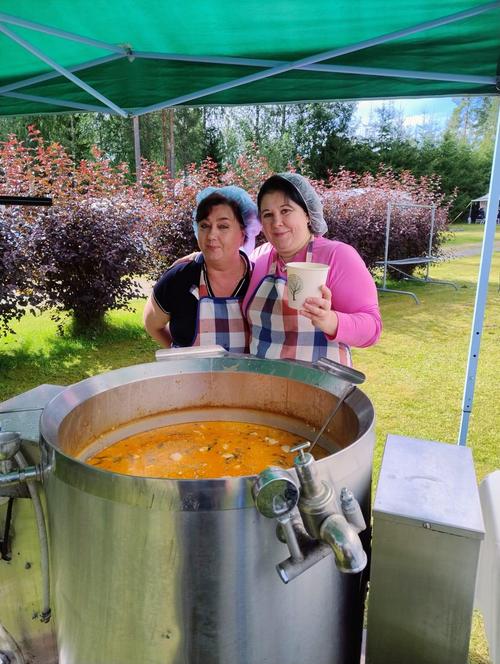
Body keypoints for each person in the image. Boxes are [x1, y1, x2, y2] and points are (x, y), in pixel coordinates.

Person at [243, 173, 381, 365]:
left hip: (320, 381)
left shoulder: (337, 256)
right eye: (268, 214)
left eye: (286, 211)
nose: (276, 223)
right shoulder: (259, 257)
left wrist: (330, 321)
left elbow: (372, 328)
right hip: (264, 379)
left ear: (307, 214)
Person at [143, 186, 260, 352]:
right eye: (204, 225)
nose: (211, 235)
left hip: (245, 370)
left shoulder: (258, 280)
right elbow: (152, 325)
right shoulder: (179, 278)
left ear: (243, 233)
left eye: (223, 226)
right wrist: (179, 355)